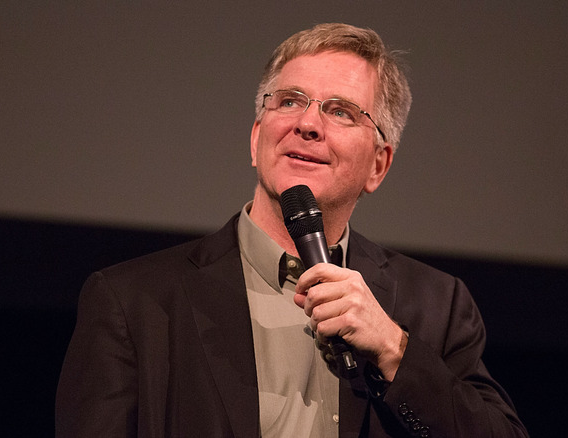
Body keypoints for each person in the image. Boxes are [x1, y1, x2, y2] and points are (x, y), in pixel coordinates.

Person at [56, 23, 528, 438]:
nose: (307, 123)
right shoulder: (133, 301)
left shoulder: (435, 307)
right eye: (290, 101)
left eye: (341, 111)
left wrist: (392, 347)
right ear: (257, 137)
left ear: (379, 165)